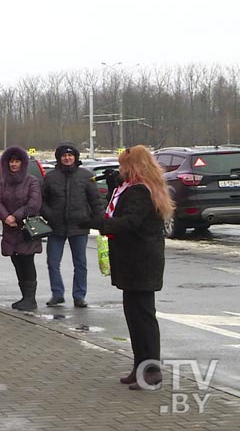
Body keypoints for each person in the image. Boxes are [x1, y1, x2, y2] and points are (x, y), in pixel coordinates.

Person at [80, 145, 174, 390]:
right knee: (134, 316)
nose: (120, 169)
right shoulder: (136, 188)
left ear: (134, 166)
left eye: (123, 165)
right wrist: (113, 188)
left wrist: (96, 224)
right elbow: (124, 211)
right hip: (135, 261)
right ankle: (140, 364)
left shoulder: (141, 191)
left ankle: (151, 369)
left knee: (143, 317)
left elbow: (129, 222)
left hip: (140, 261)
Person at [42, 143, 101, 308]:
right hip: (56, 226)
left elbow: (95, 201)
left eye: (70, 155)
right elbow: (42, 200)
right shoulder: (50, 177)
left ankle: (79, 295)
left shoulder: (86, 176)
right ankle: (57, 293)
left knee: (80, 263)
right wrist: (49, 214)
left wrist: (99, 221)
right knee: (53, 262)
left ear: (75, 157)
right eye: (64, 156)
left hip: (79, 226)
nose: (67, 158)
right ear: (59, 158)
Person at [0, 146, 42, 311]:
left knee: (27, 261)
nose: (14, 164)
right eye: (11, 161)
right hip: (10, 229)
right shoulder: (4, 182)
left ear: (23, 163)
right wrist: (6, 217)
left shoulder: (32, 181)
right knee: (16, 261)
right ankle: (24, 297)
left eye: (17, 161)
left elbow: (34, 203)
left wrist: (16, 216)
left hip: (26, 229)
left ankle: (31, 299)